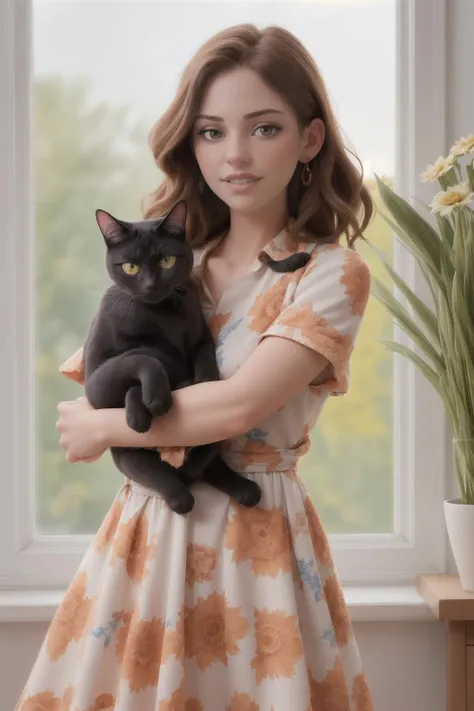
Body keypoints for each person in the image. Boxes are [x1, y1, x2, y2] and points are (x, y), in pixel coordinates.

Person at [17, 23, 375, 711]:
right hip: (146, 536)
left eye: (264, 129)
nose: (235, 155)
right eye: (212, 132)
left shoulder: (331, 273)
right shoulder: (173, 264)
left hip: (257, 543)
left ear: (309, 139)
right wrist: (105, 412)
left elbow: (240, 405)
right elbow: (104, 368)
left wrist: (103, 428)